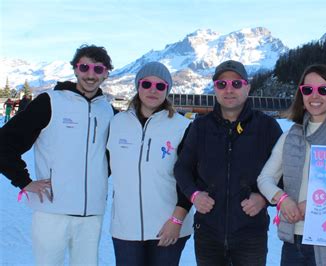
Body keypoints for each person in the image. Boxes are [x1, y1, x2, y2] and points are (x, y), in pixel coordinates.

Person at [0, 44, 115, 265]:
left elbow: (111, 158)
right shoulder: (50, 102)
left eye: (98, 69)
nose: (91, 75)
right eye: (84, 67)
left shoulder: (108, 111)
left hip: (91, 216)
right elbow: (5, 142)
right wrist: (23, 181)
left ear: (107, 73)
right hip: (52, 211)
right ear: (75, 69)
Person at [174, 60, 282, 265]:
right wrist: (194, 194)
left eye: (236, 84)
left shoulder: (266, 126)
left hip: (251, 233)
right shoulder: (201, 127)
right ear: (215, 89)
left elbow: (285, 172)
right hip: (208, 233)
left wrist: (264, 199)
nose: (229, 90)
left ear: (247, 87)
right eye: (222, 85)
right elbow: (182, 168)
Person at [257, 63, 326, 266]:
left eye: (323, 90)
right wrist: (282, 199)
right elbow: (265, 179)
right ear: (301, 95)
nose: (315, 96)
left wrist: (316, 206)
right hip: (294, 242)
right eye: (308, 90)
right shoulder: (290, 136)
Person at [107, 62, 193, 266]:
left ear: (167, 90)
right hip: (125, 228)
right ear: (138, 87)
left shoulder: (182, 127)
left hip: (168, 227)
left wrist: (177, 220)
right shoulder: (116, 123)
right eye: (146, 84)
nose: (153, 90)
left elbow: (190, 178)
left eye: (160, 86)